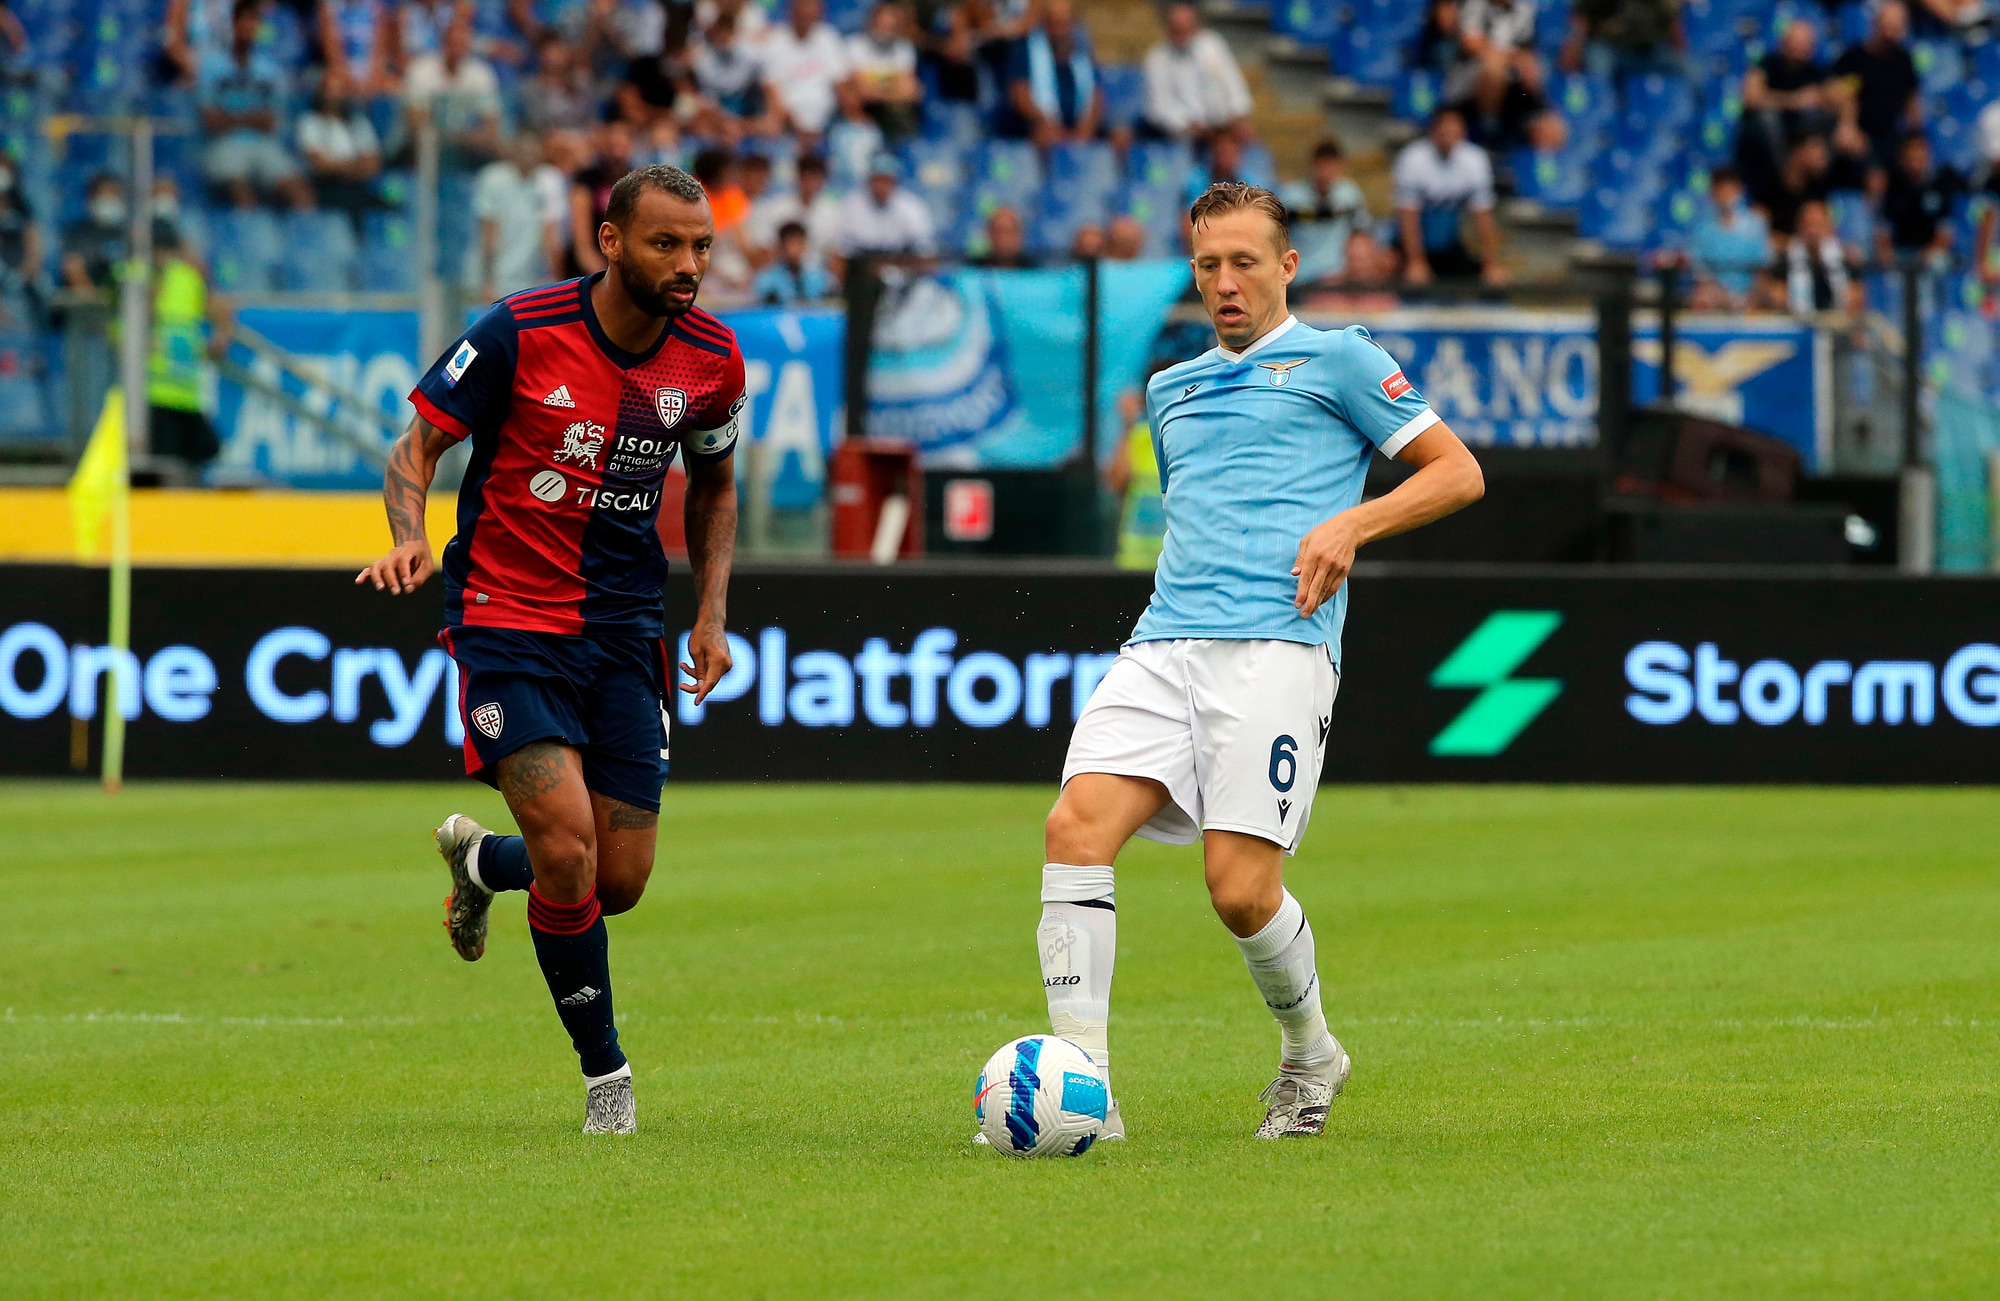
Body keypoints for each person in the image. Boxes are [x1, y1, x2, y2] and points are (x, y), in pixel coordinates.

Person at [1028, 181, 1482, 1144]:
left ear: (1287, 265)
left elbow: (1458, 471)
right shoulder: (1171, 389)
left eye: (1244, 262)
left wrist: (1352, 525)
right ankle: (1085, 1088)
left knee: (1238, 891)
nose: (1225, 282)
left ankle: (1312, 1054)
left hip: (1278, 645)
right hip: (1164, 641)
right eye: (1208, 265)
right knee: (1074, 828)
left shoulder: (1341, 358)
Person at [355, 164, 746, 1137]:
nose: (689, 263)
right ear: (610, 242)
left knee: (618, 880)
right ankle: (606, 1077)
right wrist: (408, 535)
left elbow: (713, 484)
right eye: (666, 243)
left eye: (701, 245)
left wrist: (710, 616)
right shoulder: (518, 331)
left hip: (624, 630)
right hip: (507, 619)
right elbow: (416, 446)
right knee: (567, 847)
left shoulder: (710, 358)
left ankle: (483, 863)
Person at [199, 0, 313, 209]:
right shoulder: (212, 67)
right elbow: (212, 122)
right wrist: (252, 117)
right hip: (226, 144)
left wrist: (232, 117)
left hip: (264, 145)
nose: (248, 27)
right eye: (243, 21)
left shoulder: (270, 70)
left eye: (253, 21)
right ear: (233, 24)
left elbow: (270, 122)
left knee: (300, 192)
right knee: (241, 193)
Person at [145, 219, 232, 478]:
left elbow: (219, 307)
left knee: (204, 449)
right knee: (162, 459)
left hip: (186, 387)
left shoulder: (186, 277)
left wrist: (220, 337)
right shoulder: (138, 279)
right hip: (154, 389)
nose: (163, 257)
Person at [1392, 108, 1505, 285]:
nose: (1448, 134)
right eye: (1444, 129)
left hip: (1450, 245)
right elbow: (1408, 217)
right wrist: (1416, 261)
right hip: (1408, 246)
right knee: (1397, 271)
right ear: (1433, 130)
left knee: (1491, 281)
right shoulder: (1412, 159)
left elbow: (1483, 217)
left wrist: (1491, 264)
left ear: (1463, 131)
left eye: (1454, 129)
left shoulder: (1475, 160)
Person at [1141, 0, 1252, 145]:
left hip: (1223, 130)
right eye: (1177, 30)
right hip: (1182, 139)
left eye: (1186, 29)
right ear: (1168, 28)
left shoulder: (1212, 45)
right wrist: (1189, 124)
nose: (1181, 35)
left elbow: (1234, 86)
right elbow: (1158, 108)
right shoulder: (1157, 58)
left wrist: (1237, 116)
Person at [403, 17, 505, 169]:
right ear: (444, 44)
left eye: (462, 44)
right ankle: (426, 183)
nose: (458, 49)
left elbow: (491, 122)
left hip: (469, 143)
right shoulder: (421, 70)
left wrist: (467, 137)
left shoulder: (481, 73)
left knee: (499, 144)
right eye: (454, 44)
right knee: (426, 137)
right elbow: (416, 118)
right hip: (431, 142)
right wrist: (449, 136)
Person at [1002, 0, 1103, 149]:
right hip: (1040, 126)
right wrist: (1044, 122)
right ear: (1045, 25)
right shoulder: (1026, 50)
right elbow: (1020, 94)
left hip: (1077, 127)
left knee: (1121, 136)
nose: (1061, 31)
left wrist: (1084, 131)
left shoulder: (1083, 52)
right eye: (1055, 24)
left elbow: (1096, 97)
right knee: (1044, 136)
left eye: (1065, 24)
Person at [1832, 1, 1920, 169]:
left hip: (1890, 137)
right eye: (1888, 26)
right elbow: (1842, 95)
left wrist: (1916, 138)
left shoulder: (1903, 61)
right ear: (1876, 23)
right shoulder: (1854, 58)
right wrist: (1848, 127)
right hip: (1858, 134)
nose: (1891, 33)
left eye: (1897, 27)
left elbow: (1912, 102)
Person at [1741, 17, 1831, 179]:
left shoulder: (1816, 72)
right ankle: (1786, 172)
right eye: (1794, 44)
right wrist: (1793, 101)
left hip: (1798, 132)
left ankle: (1818, 175)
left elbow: (1838, 97)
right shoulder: (1767, 64)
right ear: (1783, 44)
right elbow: (1751, 97)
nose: (1798, 50)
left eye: (1804, 45)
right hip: (1767, 136)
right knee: (1767, 117)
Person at [297, 68, 383, 231]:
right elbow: (322, 165)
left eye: (340, 90)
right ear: (321, 93)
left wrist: (341, 167)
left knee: (390, 212)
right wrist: (355, 166)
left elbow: (373, 164)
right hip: (326, 188)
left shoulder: (359, 123)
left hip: (359, 187)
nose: (335, 96)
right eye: (330, 90)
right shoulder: (310, 123)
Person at [761, 0, 857, 146]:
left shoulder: (828, 37)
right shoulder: (775, 39)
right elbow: (772, 91)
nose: (808, 12)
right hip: (787, 126)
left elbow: (842, 85)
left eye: (813, 6)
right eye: (804, 6)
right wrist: (798, 128)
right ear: (791, 9)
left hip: (828, 124)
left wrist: (855, 117)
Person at [470, 134, 554, 299]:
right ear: (514, 152)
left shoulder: (544, 183)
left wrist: (548, 276)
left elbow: (546, 238)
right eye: (524, 151)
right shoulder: (493, 179)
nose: (528, 156)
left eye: (533, 152)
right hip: (496, 281)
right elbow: (487, 235)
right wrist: (487, 282)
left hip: (527, 282)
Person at [1280, 137, 1368, 283]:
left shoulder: (1349, 195)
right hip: (1301, 274)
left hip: (1339, 275)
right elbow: (1280, 237)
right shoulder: (1291, 197)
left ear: (1339, 166)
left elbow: (1361, 234)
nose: (1326, 172)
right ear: (1313, 164)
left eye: (1330, 165)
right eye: (1322, 165)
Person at [743, 152, 842, 275]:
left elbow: (835, 255)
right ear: (798, 177)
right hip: (782, 273)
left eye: (815, 178)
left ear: (823, 180)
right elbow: (765, 250)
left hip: (817, 275)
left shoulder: (831, 211)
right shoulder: (778, 207)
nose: (810, 183)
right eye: (806, 177)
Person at [1687, 166, 1771, 311]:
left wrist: (1753, 297)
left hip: (1752, 292)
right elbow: (1701, 276)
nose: (1726, 197)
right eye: (1721, 191)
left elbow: (1763, 270)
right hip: (1718, 293)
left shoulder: (1756, 224)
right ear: (1713, 194)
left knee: (1777, 294)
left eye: (1730, 190)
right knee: (1701, 299)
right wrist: (1722, 296)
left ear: (1740, 191)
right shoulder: (1702, 230)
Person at [1877, 131, 1964, 262]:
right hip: (1899, 254)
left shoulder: (1940, 185)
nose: (1916, 155)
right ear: (1903, 156)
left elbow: (1946, 232)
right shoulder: (1893, 186)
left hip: (1929, 255)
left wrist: (1928, 253)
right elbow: (1883, 228)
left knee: (1938, 261)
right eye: (1911, 150)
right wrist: (1886, 252)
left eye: (1920, 149)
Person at [834, 153, 936, 263]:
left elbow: (925, 250)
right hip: (861, 265)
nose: (881, 186)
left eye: (886, 180)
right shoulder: (851, 205)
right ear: (868, 181)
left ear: (895, 182)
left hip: (901, 264)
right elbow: (841, 248)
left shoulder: (912, 207)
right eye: (877, 180)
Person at [848, 1, 923, 140]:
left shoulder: (904, 48)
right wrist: (894, 90)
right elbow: (861, 92)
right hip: (864, 114)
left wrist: (876, 90)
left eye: (890, 27)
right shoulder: (855, 46)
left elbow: (911, 91)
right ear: (871, 23)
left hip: (894, 114)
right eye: (881, 26)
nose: (885, 32)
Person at [1780, 198, 1859, 315]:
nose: (1813, 232)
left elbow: (1856, 293)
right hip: (1798, 321)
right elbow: (1777, 294)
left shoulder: (1844, 258)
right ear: (1799, 227)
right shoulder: (1786, 258)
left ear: (1829, 227)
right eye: (1809, 225)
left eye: (1818, 225)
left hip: (1836, 320)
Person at [61, 175, 129, 294]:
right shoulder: (78, 234)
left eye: (112, 193)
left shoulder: (131, 234)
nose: (107, 199)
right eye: (101, 194)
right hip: (91, 300)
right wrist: (98, 298)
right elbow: (72, 269)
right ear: (90, 198)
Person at [752, 219, 835, 303]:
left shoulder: (819, 276)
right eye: (791, 244)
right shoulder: (766, 279)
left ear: (805, 245)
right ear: (781, 247)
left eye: (799, 243)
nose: (794, 250)